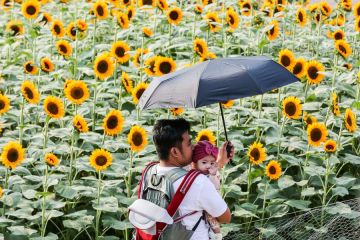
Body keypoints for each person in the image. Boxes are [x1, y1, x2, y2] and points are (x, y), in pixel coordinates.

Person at [149, 118, 234, 240]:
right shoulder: (197, 183)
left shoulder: (149, 172)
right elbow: (225, 217)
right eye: (189, 144)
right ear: (175, 151)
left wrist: (218, 163)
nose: (193, 147)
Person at [191, 141, 222, 240]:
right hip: (196, 206)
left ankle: (217, 235)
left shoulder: (212, 174)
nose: (208, 165)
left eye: (212, 163)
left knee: (212, 220)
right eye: (204, 162)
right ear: (195, 162)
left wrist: (213, 175)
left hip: (210, 203)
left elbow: (215, 189)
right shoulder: (192, 174)